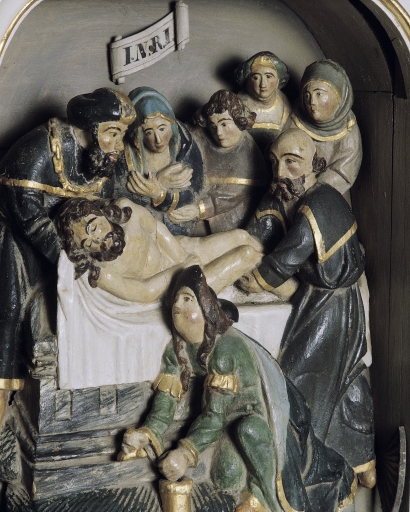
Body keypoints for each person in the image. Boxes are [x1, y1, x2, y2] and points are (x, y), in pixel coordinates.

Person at [117, 265, 356, 512]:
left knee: (248, 431)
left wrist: (184, 455)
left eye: (187, 299)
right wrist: (148, 432)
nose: (178, 306)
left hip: (263, 419)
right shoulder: (176, 350)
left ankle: (269, 502)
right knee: (226, 476)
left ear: (206, 308)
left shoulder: (224, 352)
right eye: (175, 300)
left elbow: (214, 415)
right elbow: (166, 398)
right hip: (229, 424)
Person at [240, 128, 376, 488]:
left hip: (333, 305)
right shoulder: (284, 194)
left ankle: (317, 465)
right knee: (336, 378)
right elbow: (257, 230)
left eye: (292, 162)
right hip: (316, 298)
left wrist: (259, 278)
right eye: (275, 163)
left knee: (300, 375)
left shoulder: (321, 202)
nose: (280, 172)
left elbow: (292, 251)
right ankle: (348, 461)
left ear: (315, 165)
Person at [0, 88, 135, 424]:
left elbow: (111, 202)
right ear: (90, 129)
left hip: (76, 241)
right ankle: (4, 390)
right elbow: (28, 215)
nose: (119, 145)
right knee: (11, 306)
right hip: (21, 236)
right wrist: (64, 260)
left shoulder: (104, 157)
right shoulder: (40, 149)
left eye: (122, 135)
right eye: (113, 133)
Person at [55, 197, 264, 302]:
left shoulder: (126, 209)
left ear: (99, 212)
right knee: (245, 255)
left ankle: (273, 270)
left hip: (179, 250)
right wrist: (182, 270)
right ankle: (275, 280)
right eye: (88, 244)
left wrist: (182, 258)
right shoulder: (103, 272)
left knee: (241, 237)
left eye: (94, 228)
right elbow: (144, 292)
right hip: (173, 285)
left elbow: (156, 229)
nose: (98, 239)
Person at [170, 90, 269, 234]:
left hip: (228, 212)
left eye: (224, 124)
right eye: (213, 126)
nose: (219, 133)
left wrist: (199, 209)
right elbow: (182, 135)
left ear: (239, 121)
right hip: (193, 196)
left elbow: (230, 196)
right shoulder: (203, 133)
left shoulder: (247, 155)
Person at [117, 87, 204, 236]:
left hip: (179, 225)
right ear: (138, 135)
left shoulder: (183, 144)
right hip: (143, 227)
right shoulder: (126, 155)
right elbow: (121, 197)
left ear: (172, 126)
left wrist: (159, 194)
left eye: (162, 129)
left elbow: (194, 190)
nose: (158, 140)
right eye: (149, 132)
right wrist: (159, 183)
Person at [290, 59, 362, 196]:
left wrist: (313, 188)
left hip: (326, 195)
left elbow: (343, 173)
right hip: (292, 189)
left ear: (339, 96)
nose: (312, 102)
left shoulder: (348, 130)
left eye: (319, 94)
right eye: (307, 95)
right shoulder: (296, 119)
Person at [235, 51, 291, 152]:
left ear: (278, 80)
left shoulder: (285, 106)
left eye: (268, 76)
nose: (263, 84)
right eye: (256, 78)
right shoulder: (238, 105)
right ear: (248, 82)